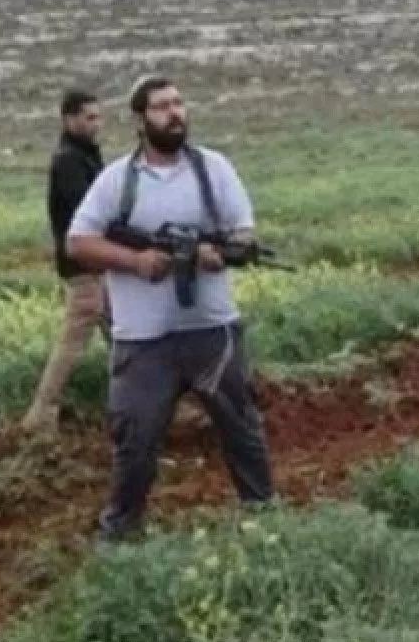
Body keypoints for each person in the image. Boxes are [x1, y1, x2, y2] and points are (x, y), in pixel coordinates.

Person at [66, 75, 274, 540]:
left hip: (211, 331)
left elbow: (244, 233)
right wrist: (136, 262)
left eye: (179, 103)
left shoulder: (213, 169)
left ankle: (266, 519)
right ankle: (119, 536)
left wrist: (218, 254)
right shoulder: (117, 180)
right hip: (143, 340)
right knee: (134, 441)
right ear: (140, 120)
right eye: (162, 107)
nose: (175, 113)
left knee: (242, 430)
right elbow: (78, 242)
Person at [22, 90, 109, 434]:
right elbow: (88, 212)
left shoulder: (82, 156)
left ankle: (152, 400)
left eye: (98, 117)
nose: (96, 124)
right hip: (85, 265)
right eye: (89, 118)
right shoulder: (70, 161)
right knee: (75, 340)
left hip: (95, 262)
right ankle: (41, 413)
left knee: (126, 335)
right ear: (69, 119)